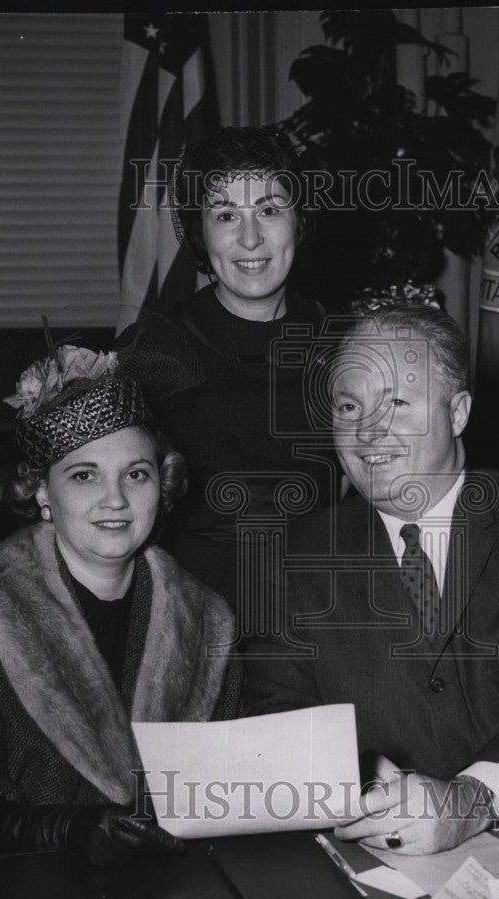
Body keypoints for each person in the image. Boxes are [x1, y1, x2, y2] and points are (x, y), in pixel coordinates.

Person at [242, 304, 499, 855]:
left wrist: (470, 800)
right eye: (350, 406)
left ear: (458, 413)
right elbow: (273, 712)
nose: (369, 431)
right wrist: (353, 777)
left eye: (398, 403)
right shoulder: (294, 553)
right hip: (366, 852)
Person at [0, 344, 241, 865]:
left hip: (173, 892)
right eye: (84, 475)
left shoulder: (207, 621)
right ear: (41, 492)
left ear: (162, 484)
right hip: (25, 897)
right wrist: (58, 830)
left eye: (136, 473)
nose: (116, 499)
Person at [114, 125, 334, 604]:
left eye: (270, 211)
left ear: (299, 220)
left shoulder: (344, 344)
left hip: (324, 604)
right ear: (198, 230)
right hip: (193, 613)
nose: (251, 239)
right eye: (226, 215)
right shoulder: (154, 349)